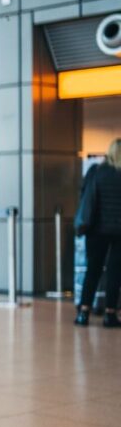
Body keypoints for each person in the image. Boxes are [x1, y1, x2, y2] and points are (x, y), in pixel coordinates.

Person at [75, 139, 121, 328]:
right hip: (119, 232)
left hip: (96, 231)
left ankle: (83, 313)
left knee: (92, 271)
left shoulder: (96, 171)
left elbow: (85, 196)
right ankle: (110, 315)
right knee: (115, 274)